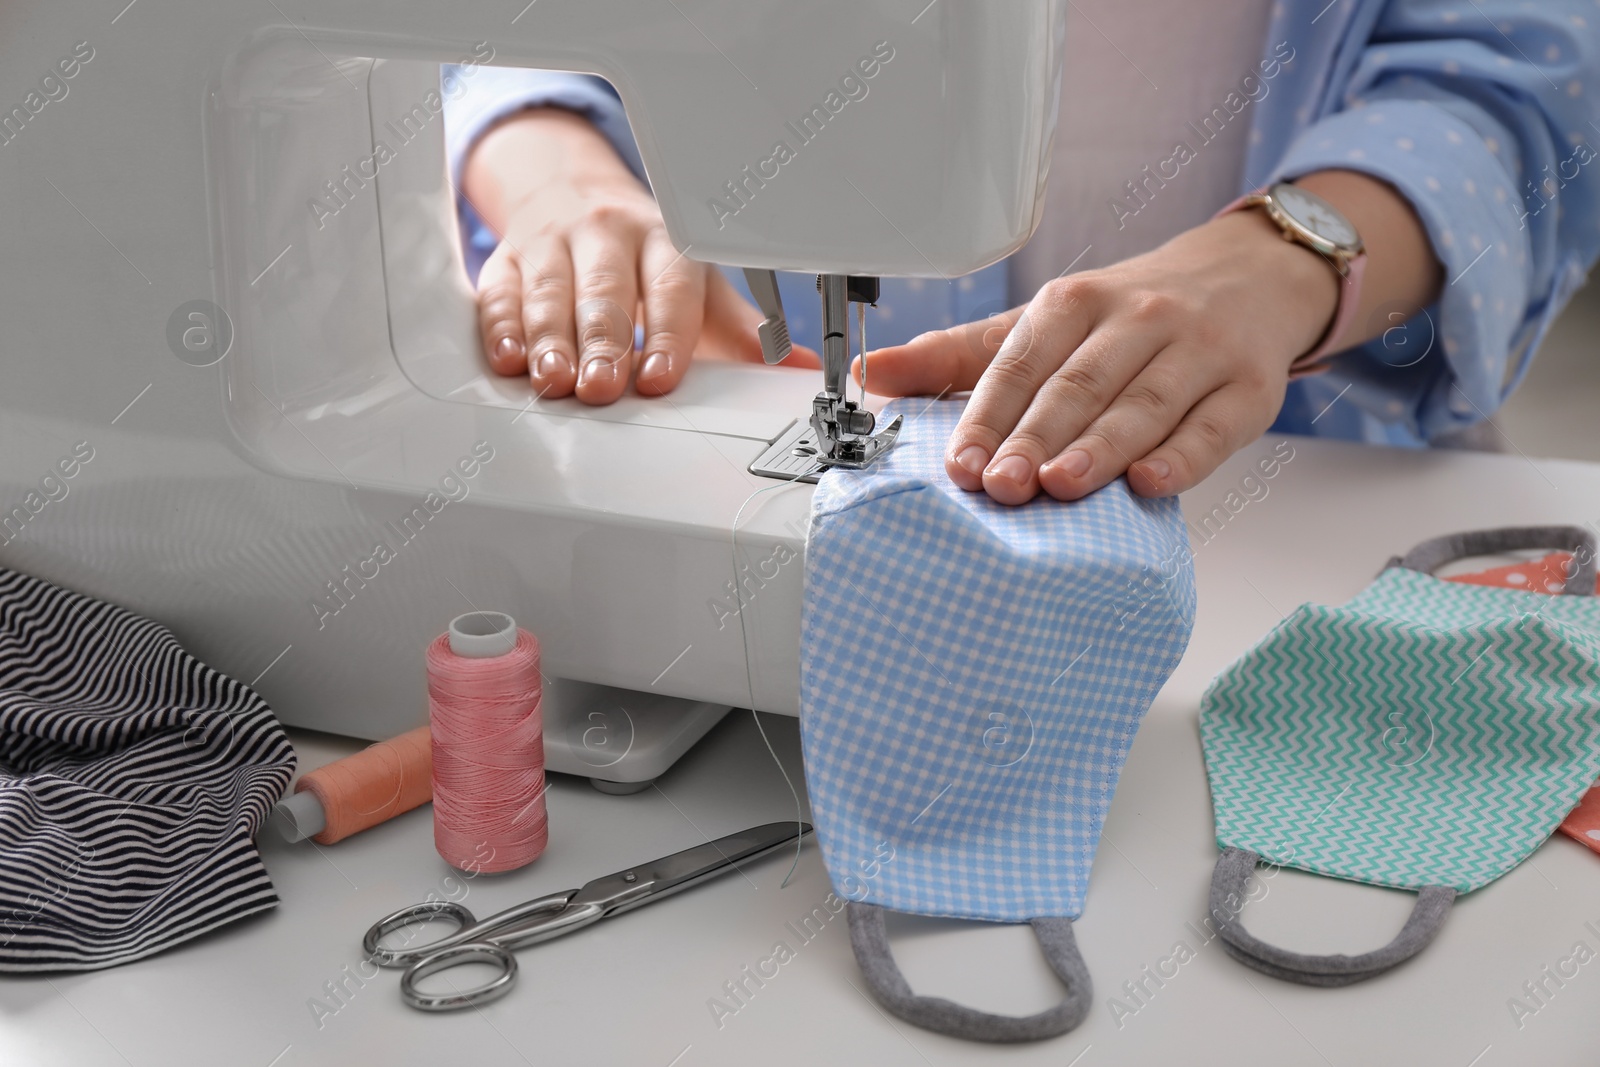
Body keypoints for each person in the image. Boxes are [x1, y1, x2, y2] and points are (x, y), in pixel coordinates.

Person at [445, 1, 1600, 506]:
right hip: (727, 396)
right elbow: (494, 30)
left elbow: (1520, 91)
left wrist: (1287, 258)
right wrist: (550, 157)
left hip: (1306, 479)